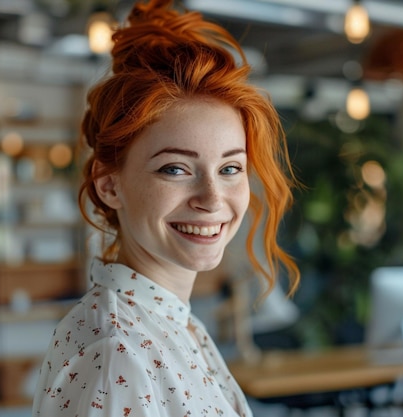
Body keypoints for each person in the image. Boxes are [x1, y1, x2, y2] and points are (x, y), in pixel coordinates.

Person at [32, 0, 300, 415]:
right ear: (110, 185)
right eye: (175, 169)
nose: (212, 198)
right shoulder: (118, 355)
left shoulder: (170, 323)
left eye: (230, 168)